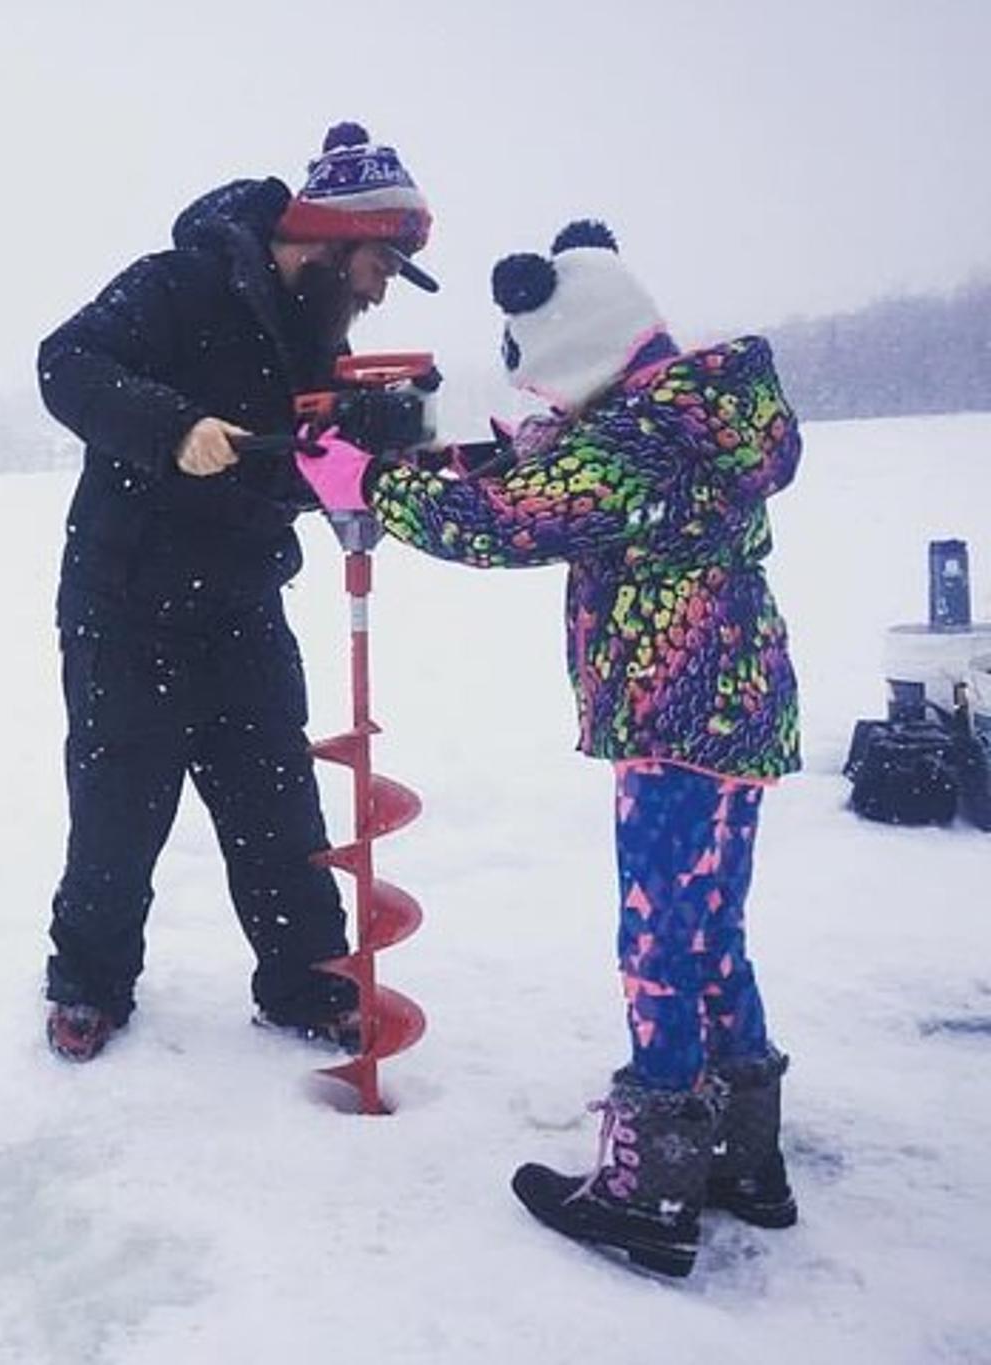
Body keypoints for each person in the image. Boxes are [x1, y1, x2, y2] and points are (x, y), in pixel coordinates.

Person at [293, 220, 802, 1277]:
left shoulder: (633, 445)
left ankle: (651, 1188)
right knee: (708, 930)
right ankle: (743, 1159)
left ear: (575, 345)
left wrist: (370, 487)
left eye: (537, 374)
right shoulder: (695, 414)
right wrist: (475, 456)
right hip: (742, 705)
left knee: (655, 941)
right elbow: (557, 475)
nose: (533, 397)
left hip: (672, 716)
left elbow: (512, 522)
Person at [36, 122, 439, 1063]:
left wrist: (380, 441)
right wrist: (173, 428)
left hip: (243, 606)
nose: (379, 292)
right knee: (118, 811)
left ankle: (306, 982)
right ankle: (89, 983)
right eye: (378, 264)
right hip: (125, 605)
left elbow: (301, 466)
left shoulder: (315, 335)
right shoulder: (179, 284)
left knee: (278, 810)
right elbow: (66, 363)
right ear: (329, 241)